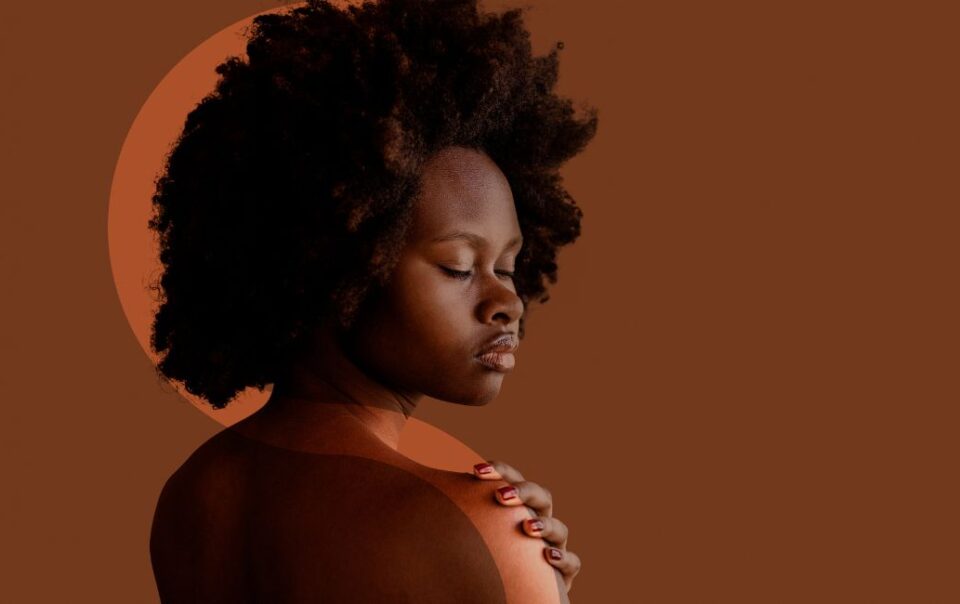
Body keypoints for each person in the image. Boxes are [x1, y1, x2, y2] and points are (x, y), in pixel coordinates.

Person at [147, 0, 598, 601]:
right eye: (458, 267)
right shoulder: (475, 526)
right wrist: (531, 578)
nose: (506, 303)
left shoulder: (193, 494)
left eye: (509, 268)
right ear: (338, 267)